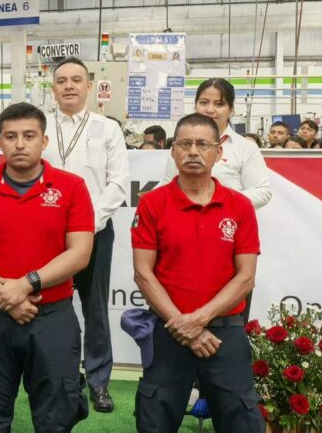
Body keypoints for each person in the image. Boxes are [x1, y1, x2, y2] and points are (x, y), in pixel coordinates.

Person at [0, 102, 94, 431]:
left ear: (44, 141)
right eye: (11, 136)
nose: (19, 143)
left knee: (56, 416)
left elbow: (80, 253)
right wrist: (3, 293)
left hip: (53, 318)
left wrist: (26, 284)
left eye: (29, 136)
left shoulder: (71, 187)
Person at [132, 113, 263, 433]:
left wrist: (197, 321)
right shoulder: (151, 204)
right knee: (154, 422)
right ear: (173, 151)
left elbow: (245, 277)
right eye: (185, 144)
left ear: (219, 152)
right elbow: (143, 273)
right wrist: (183, 325)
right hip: (168, 331)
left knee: (242, 422)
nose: (193, 151)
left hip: (225, 335)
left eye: (203, 144)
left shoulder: (239, 206)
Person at [42, 57, 129, 413]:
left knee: (94, 309)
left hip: (94, 232)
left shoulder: (107, 128)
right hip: (45, 234)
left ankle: (98, 382)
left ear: (89, 86)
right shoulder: (40, 125)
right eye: (61, 80)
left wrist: (85, 226)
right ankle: (57, 375)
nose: (69, 86)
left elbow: (118, 183)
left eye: (76, 80)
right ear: (53, 88)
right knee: (49, 308)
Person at [162, 79, 272, 210]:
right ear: (195, 106)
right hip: (184, 221)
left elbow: (262, 191)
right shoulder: (180, 145)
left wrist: (219, 204)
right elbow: (168, 184)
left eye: (219, 104)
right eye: (203, 102)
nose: (209, 110)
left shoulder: (246, 147)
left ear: (231, 110)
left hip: (228, 223)